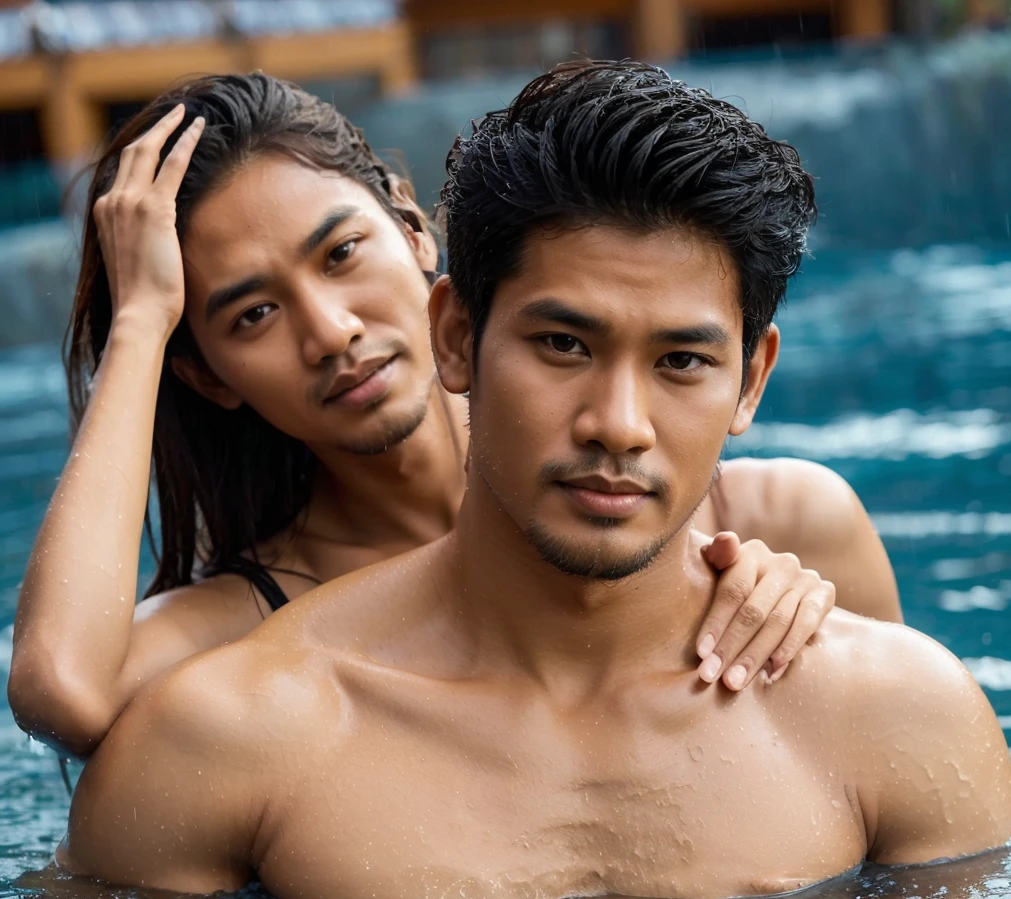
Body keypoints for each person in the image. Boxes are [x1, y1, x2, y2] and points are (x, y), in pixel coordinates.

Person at [59, 60, 1011, 899]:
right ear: (459, 338)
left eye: (681, 359)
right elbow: (64, 691)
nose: (618, 424)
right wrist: (143, 323)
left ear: (751, 380)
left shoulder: (884, 686)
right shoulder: (231, 718)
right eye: (563, 345)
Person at [8, 73, 898, 758]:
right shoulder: (257, 627)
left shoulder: (766, 534)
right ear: (210, 377)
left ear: (415, 233)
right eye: (253, 315)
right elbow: (62, 692)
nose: (331, 331)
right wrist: (137, 326)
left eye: (342, 252)